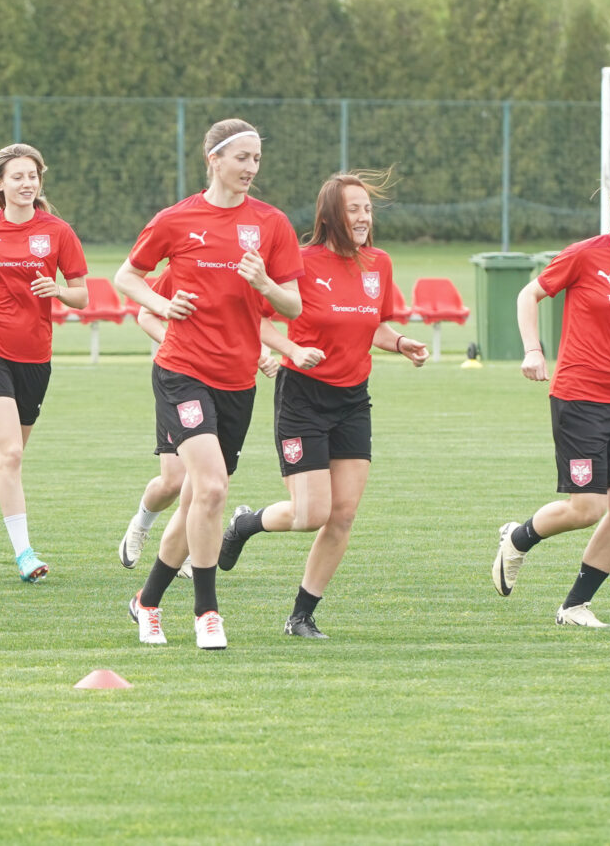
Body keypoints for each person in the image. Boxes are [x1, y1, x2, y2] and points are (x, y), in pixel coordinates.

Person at [114, 118, 303, 649]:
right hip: (182, 372)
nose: (250, 168)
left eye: (257, 159)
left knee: (200, 496)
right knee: (214, 488)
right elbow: (125, 277)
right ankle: (206, 612)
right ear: (213, 159)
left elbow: (292, 305)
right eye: (241, 157)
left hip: (238, 381)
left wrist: (265, 282)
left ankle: (146, 601)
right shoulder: (178, 220)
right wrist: (160, 303)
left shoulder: (271, 224)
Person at [216, 172, 430, 639]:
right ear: (331, 214)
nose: (363, 217)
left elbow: (375, 327)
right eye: (353, 209)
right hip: (303, 397)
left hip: (353, 400)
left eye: (367, 209)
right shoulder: (302, 262)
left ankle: (301, 616)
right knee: (310, 513)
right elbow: (261, 322)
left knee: (343, 515)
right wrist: (291, 351)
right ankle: (244, 524)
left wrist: (403, 342)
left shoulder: (379, 263)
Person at [491, 177, 610, 627]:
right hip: (579, 398)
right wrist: (533, 350)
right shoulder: (585, 255)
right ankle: (517, 538)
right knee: (587, 507)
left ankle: (574, 606)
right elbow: (529, 294)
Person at [0, 143, 87, 582]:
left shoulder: (58, 232)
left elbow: (83, 296)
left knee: (7, 454)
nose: (27, 184)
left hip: (35, 357)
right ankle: (24, 552)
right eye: (18, 177)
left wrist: (58, 292)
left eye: (33, 176)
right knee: (10, 451)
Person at [119, 273, 280, 573]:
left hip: (230, 386)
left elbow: (255, 324)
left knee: (211, 481)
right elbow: (146, 314)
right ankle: (141, 523)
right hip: (183, 382)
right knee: (174, 480)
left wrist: (265, 354)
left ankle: (192, 551)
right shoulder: (187, 264)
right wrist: (181, 345)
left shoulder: (251, 273)